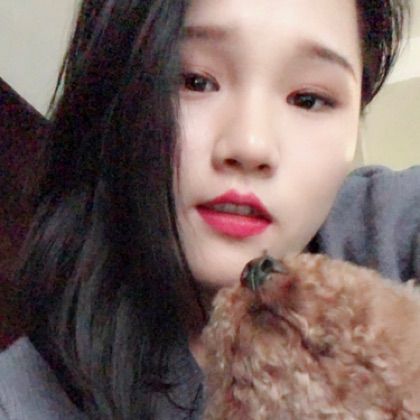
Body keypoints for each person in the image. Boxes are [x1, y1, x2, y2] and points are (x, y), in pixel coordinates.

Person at [0, 0, 418, 419]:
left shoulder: (383, 231)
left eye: (308, 100)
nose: (251, 145)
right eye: (195, 82)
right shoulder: (23, 401)